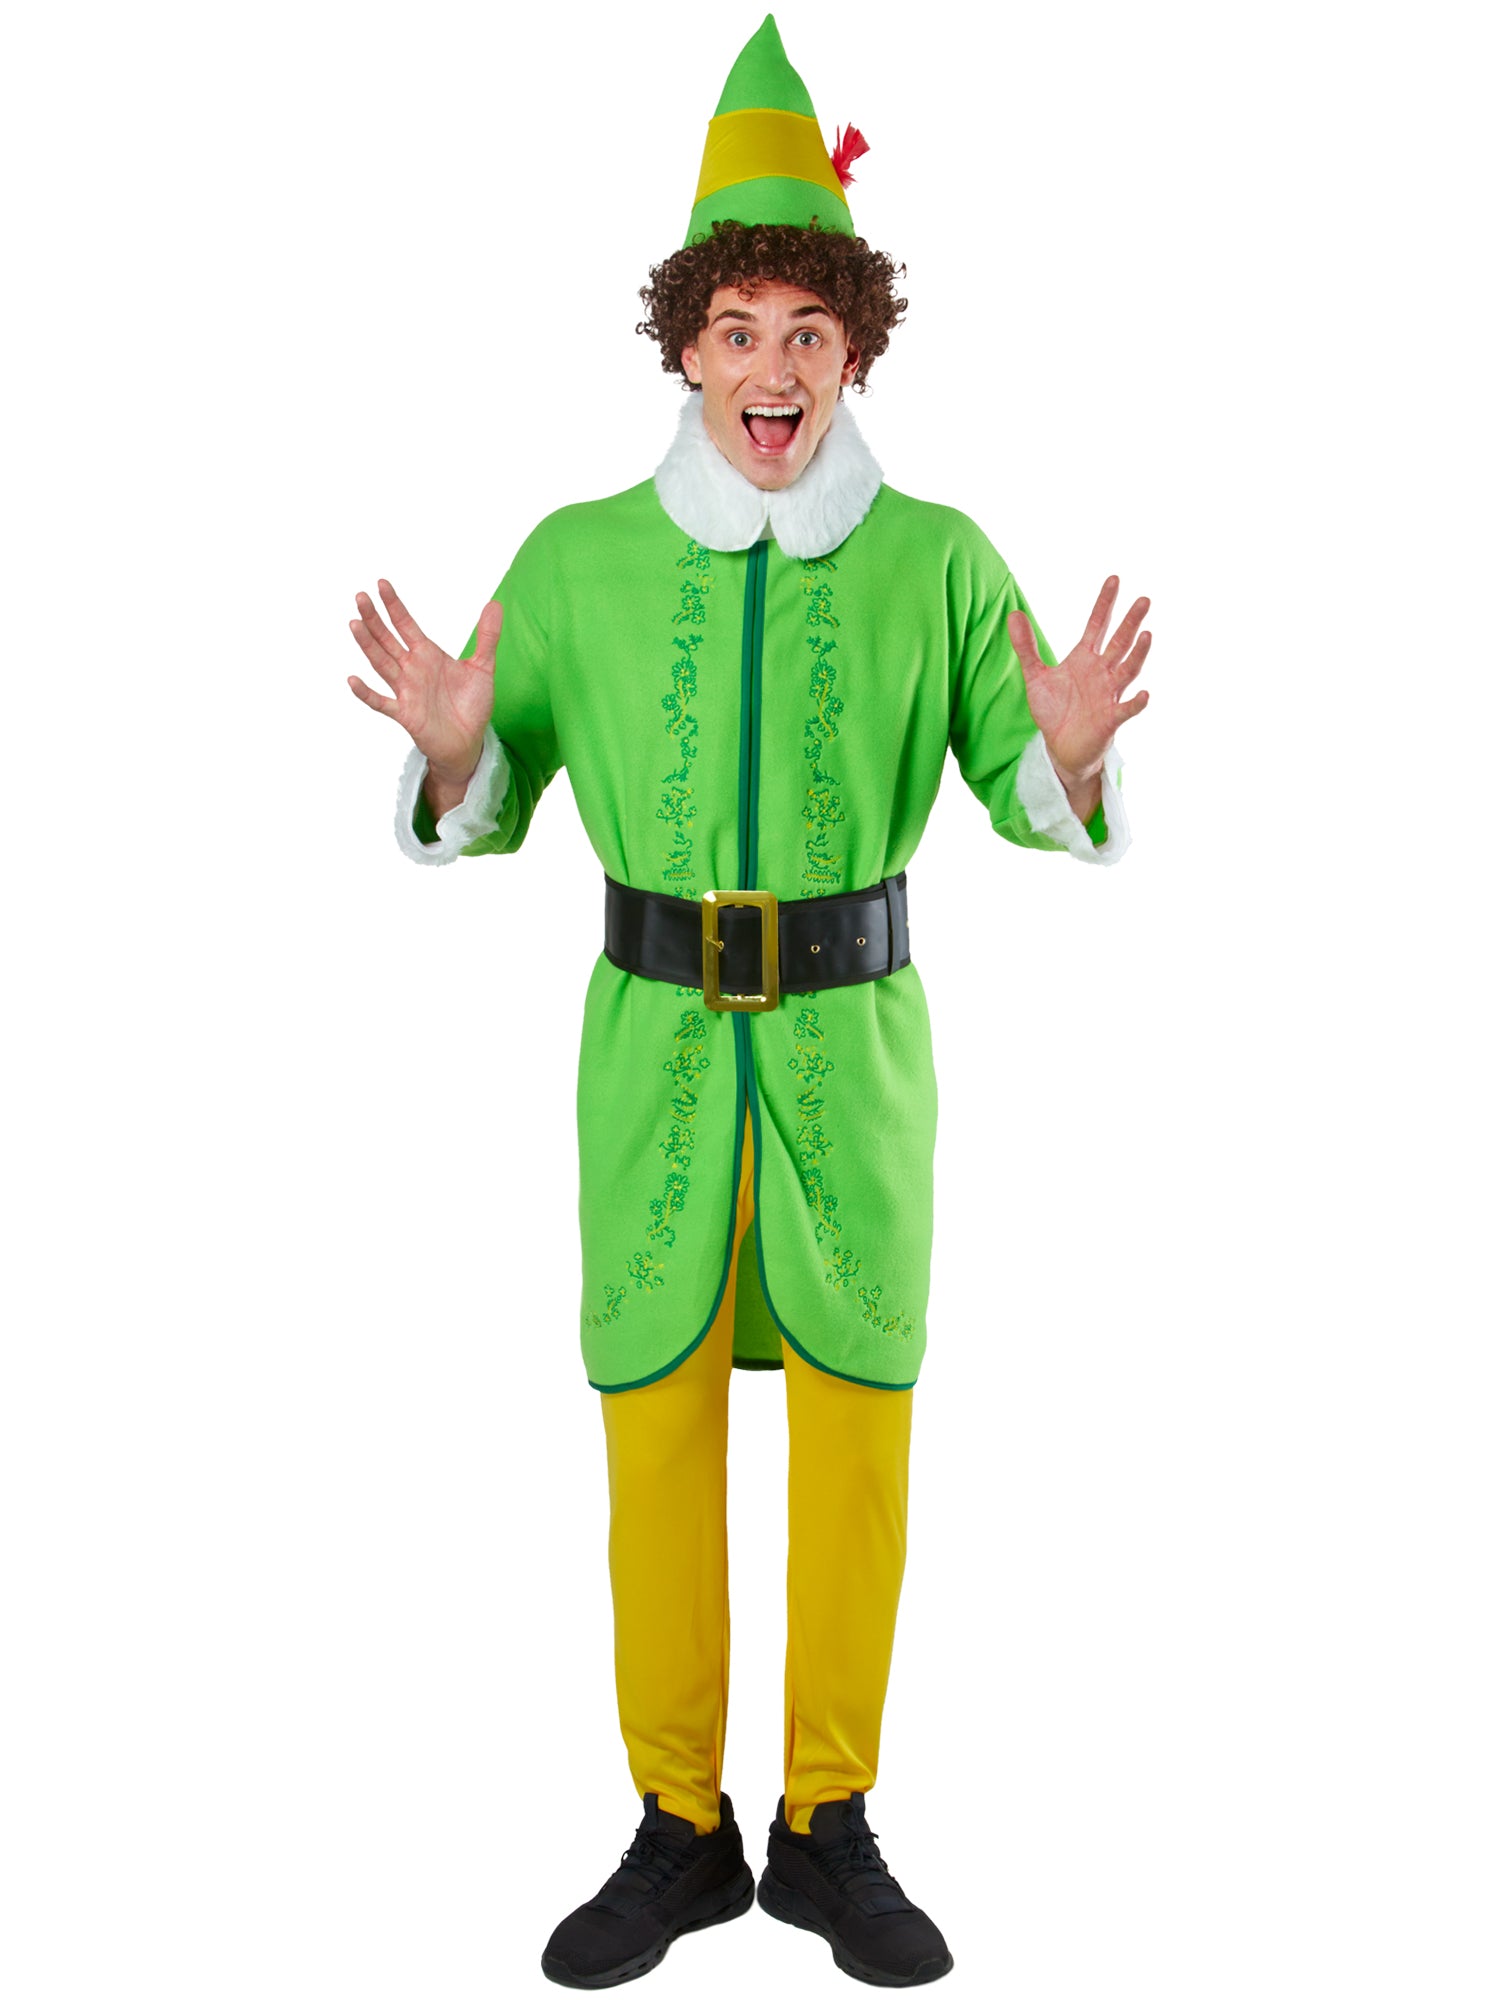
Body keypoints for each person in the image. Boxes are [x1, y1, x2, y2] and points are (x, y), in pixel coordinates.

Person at [347, 16, 1151, 1989]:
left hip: (853, 1062)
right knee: (659, 1432)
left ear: (854, 350)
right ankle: (681, 1826)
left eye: (809, 331)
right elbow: (490, 791)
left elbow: (1030, 783)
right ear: (686, 348)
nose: (772, 369)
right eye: (737, 331)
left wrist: (1067, 752)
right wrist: (453, 750)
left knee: (860, 1436)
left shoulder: (940, 560)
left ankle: (831, 1820)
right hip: (649, 1064)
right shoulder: (578, 560)